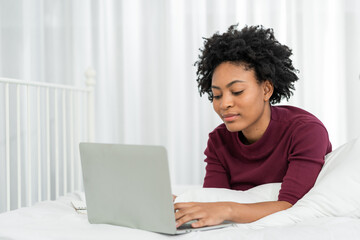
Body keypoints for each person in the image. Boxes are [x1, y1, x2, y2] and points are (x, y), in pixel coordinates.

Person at [174, 25, 332, 228]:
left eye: (237, 91)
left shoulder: (306, 132)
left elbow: (293, 206)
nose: (224, 104)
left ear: (266, 89)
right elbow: (213, 201)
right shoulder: (219, 141)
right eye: (217, 95)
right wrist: (182, 204)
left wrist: (228, 210)